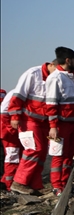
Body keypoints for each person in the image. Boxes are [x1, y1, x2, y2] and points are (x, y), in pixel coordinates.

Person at [7, 61, 56, 195]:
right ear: (52, 65)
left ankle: (34, 184)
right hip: (29, 120)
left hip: (44, 121)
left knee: (42, 152)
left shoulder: (54, 78)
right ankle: (19, 182)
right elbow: (18, 95)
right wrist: (15, 116)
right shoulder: (32, 74)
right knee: (34, 150)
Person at [45, 47, 74, 195]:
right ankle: (57, 186)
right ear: (68, 60)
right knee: (58, 156)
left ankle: (66, 184)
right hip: (61, 125)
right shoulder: (55, 78)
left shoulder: (73, 77)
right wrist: (53, 126)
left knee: (69, 156)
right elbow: (51, 104)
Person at [1, 90, 22, 191]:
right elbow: (3, 113)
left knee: (16, 157)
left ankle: (7, 181)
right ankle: (9, 185)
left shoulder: (14, 93)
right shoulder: (17, 93)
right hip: (9, 132)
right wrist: (12, 130)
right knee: (12, 157)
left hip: (12, 131)